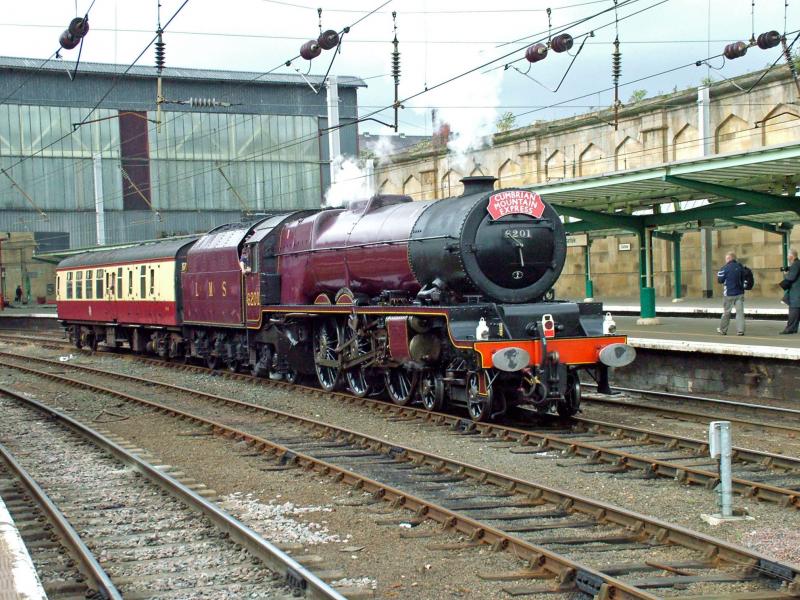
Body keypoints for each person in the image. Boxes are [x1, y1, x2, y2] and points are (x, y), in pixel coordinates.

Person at [716, 251, 745, 336]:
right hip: (739, 293)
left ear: (729, 258)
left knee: (726, 312)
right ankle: (740, 330)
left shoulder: (724, 268)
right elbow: (743, 279)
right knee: (740, 313)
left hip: (728, 294)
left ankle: (722, 330)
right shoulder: (740, 267)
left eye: (726, 258)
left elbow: (720, 280)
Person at [780, 248, 800, 334]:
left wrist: (785, 275)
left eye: (788, 256)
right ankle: (793, 328)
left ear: (791, 256)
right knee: (796, 311)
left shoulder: (795, 264)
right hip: (797, 291)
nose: (787, 257)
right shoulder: (797, 264)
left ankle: (790, 328)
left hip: (796, 292)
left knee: (793, 310)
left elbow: (791, 278)